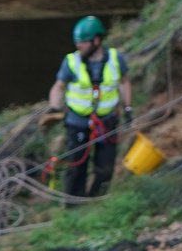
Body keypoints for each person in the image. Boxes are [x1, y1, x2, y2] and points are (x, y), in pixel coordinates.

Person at [48, 16, 133, 198]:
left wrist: (127, 108)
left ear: (96, 40)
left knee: (105, 167)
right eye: (77, 42)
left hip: (107, 121)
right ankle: (73, 205)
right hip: (77, 122)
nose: (79, 46)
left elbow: (124, 82)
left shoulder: (115, 59)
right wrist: (54, 108)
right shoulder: (71, 62)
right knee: (76, 166)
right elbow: (58, 87)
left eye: (83, 42)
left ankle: (96, 200)